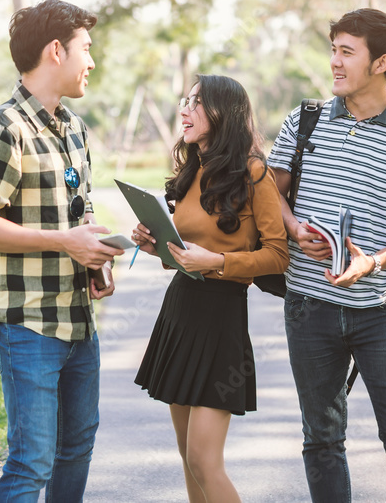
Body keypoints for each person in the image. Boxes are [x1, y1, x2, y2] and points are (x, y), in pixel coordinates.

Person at [268, 8, 386, 502]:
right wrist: (292, 226)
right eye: (333, 50)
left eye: (346, 52)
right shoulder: (303, 121)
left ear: (380, 62)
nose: (334, 62)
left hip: (384, 311)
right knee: (322, 439)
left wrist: (373, 261)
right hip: (309, 304)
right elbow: (269, 190)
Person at [0, 0, 123, 503]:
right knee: (31, 461)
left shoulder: (73, 127)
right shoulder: (3, 130)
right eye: (85, 50)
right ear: (56, 51)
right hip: (28, 324)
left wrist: (94, 251)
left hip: (78, 319)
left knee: (77, 447)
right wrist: (62, 241)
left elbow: (78, 210)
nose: (91, 61)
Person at [131, 74, 289, 503]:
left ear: (223, 113)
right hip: (180, 311)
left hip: (221, 321)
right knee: (187, 456)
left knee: (204, 459)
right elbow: (183, 254)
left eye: (196, 103)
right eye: (186, 100)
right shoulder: (193, 169)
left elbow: (278, 256)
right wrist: (155, 247)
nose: (185, 109)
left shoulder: (254, 172)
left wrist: (218, 263)